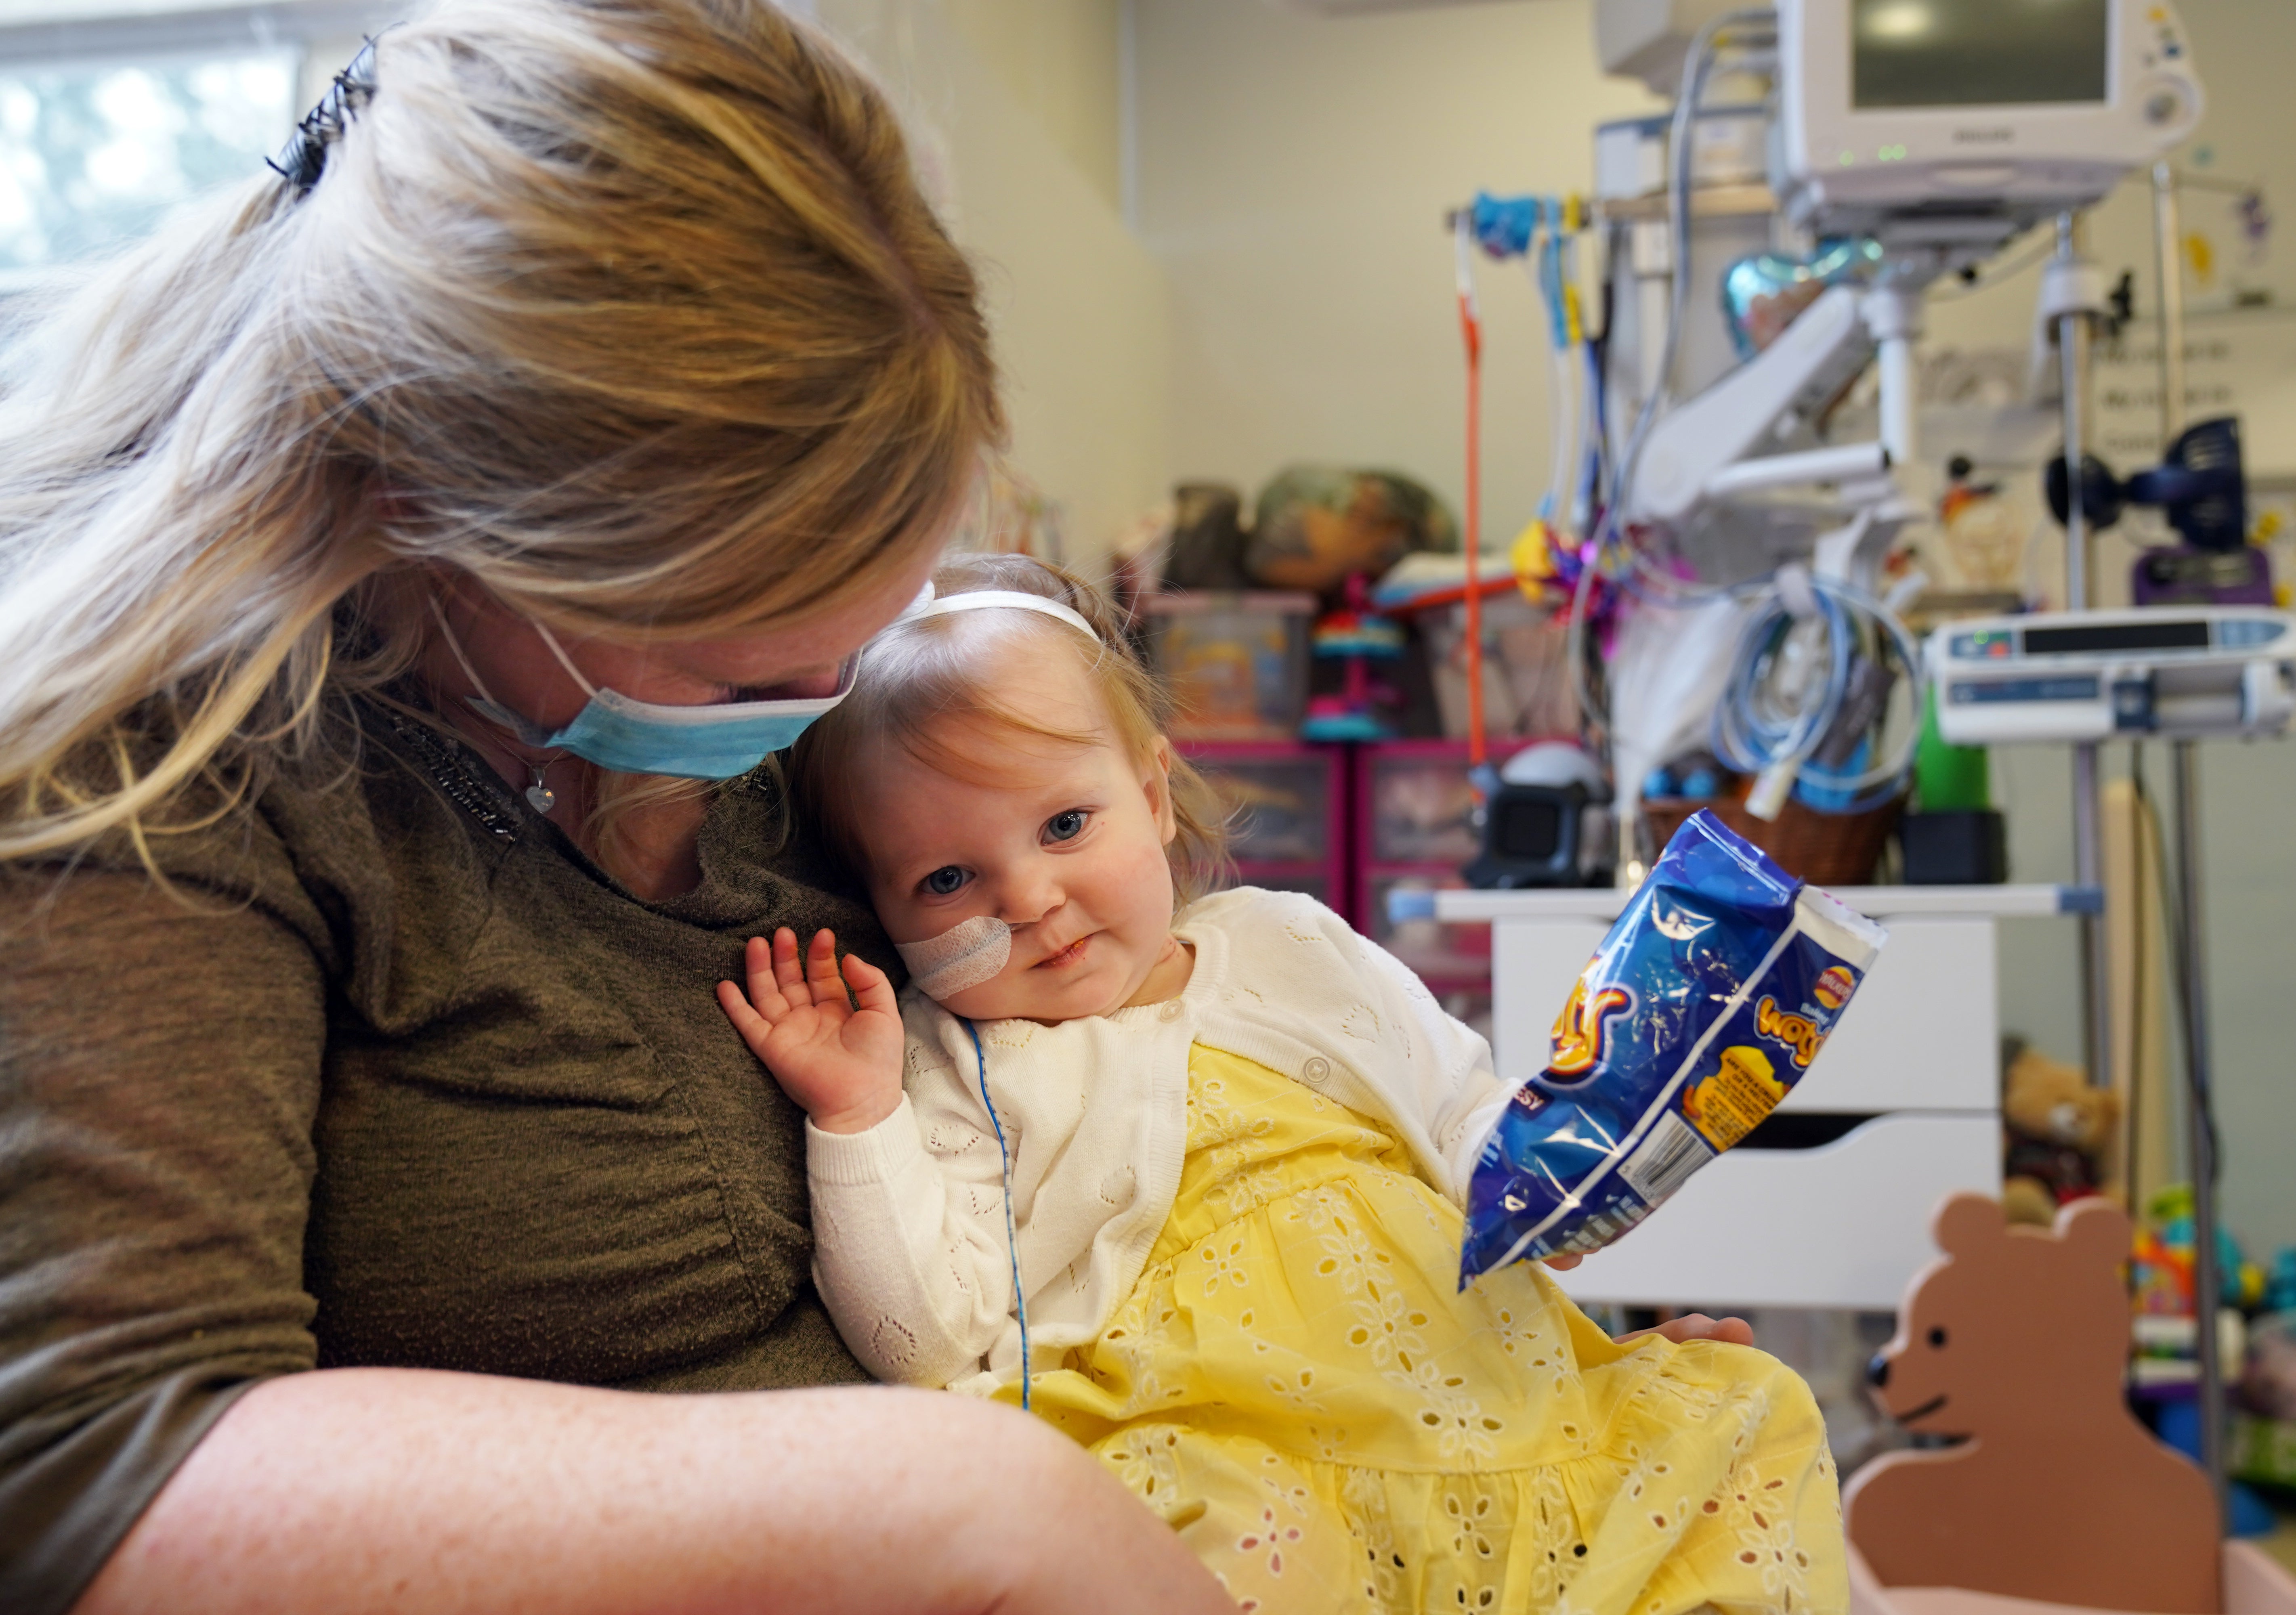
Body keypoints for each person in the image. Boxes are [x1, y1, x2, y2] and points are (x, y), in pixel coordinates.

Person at [0, 2, 1240, 1610]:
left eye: (866, 633)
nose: (821, 713)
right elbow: (92, 1466)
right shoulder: (160, 780)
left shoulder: (809, 692)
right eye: (747, 683)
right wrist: (959, 1506)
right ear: (422, 521)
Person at [723, 554, 1851, 1615]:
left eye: (1067, 825)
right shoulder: (949, 1059)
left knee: (1743, 1418)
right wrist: (858, 1117)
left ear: (1156, 797)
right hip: (1216, 1444)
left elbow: (1455, 1109)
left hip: (1470, 1380)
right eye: (948, 878)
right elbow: (923, 1340)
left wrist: (1549, 1186)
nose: (1029, 899)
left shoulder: (1285, 943)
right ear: (881, 906)